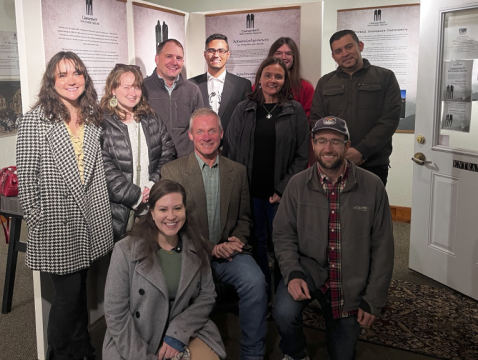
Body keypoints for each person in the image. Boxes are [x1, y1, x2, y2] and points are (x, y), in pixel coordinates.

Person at [16, 51, 113, 360]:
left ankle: (82, 349)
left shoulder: (92, 115)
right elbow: (26, 177)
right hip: (57, 224)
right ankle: (58, 354)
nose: (71, 80)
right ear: (52, 81)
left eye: (77, 73)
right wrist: (38, 220)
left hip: (90, 221)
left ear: (85, 78)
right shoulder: (36, 121)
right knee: (67, 298)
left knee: (79, 291)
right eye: (63, 75)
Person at [272, 116, 394, 360]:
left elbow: (383, 247)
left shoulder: (372, 186)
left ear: (347, 145)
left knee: (343, 355)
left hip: (350, 279)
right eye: (322, 141)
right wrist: (292, 273)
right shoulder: (297, 185)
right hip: (309, 268)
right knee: (283, 312)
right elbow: (283, 233)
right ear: (313, 144)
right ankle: (296, 353)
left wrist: (373, 300)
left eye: (336, 141)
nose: (328, 148)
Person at [162, 108, 267, 360]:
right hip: (190, 254)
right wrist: (212, 248)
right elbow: (174, 224)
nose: (206, 137)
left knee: (256, 283)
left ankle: (253, 353)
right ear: (190, 135)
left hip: (229, 253)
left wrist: (237, 241)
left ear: (221, 134)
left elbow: (244, 218)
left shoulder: (237, 171)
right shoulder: (172, 172)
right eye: (200, 131)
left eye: (212, 131)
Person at [103, 179, 226, 360]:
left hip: (185, 329)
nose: (171, 216)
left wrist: (177, 332)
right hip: (134, 337)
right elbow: (115, 313)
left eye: (177, 208)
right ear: (152, 212)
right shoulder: (125, 250)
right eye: (163, 209)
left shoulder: (197, 247)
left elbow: (207, 297)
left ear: (185, 210)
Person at [224, 56, 309, 299]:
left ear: (285, 80)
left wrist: (283, 189)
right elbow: (230, 150)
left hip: (280, 195)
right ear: (259, 79)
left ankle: (284, 294)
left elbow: (302, 156)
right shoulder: (243, 109)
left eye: (278, 76)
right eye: (268, 75)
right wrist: (238, 190)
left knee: (283, 245)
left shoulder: (295, 111)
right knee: (256, 244)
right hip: (249, 193)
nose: (273, 80)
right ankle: (262, 294)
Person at [310, 29, 401, 185]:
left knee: (369, 208)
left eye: (349, 47)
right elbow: (317, 120)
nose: (345, 53)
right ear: (333, 56)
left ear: (360, 46)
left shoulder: (385, 77)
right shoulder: (325, 82)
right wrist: (334, 150)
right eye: (338, 51)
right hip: (333, 163)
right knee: (332, 209)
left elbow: (390, 120)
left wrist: (362, 151)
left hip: (373, 163)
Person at [100, 64, 176, 240]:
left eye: (136, 87)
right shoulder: (102, 122)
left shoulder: (151, 118)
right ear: (113, 89)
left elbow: (168, 151)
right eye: (126, 87)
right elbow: (104, 168)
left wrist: (153, 183)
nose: (132, 93)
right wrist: (136, 196)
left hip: (152, 209)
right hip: (119, 213)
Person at [143, 39, 204, 158]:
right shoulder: (142, 89)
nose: (174, 62)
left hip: (185, 163)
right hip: (153, 162)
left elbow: (200, 129)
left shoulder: (193, 90)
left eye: (179, 58)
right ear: (157, 59)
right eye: (169, 56)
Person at [190, 33, 252, 132]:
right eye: (211, 51)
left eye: (221, 51)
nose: (216, 55)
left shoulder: (243, 85)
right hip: (200, 144)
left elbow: (247, 122)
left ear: (228, 55)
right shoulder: (191, 84)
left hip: (231, 145)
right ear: (205, 54)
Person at [267, 37, 315, 118]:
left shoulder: (306, 88)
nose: (283, 57)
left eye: (288, 53)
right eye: (278, 53)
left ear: (294, 57)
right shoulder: (260, 86)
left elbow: (308, 120)